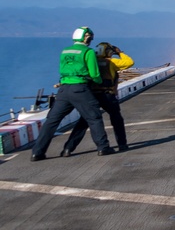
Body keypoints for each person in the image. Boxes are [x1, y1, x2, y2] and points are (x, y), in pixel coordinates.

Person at [31, 27, 115, 161]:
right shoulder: (88, 52)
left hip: (64, 90)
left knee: (52, 121)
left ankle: (37, 152)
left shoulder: (65, 51)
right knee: (94, 117)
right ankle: (103, 147)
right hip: (80, 89)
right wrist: (100, 82)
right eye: (90, 38)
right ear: (86, 37)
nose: (91, 40)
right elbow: (94, 74)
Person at [60, 42, 134, 156]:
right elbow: (130, 62)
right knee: (117, 119)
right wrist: (120, 52)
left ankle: (68, 148)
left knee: (84, 122)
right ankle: (122, 144)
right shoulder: (111, 62)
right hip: (108, 95)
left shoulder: (91, 62)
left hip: (91, 95)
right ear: (108, 52)